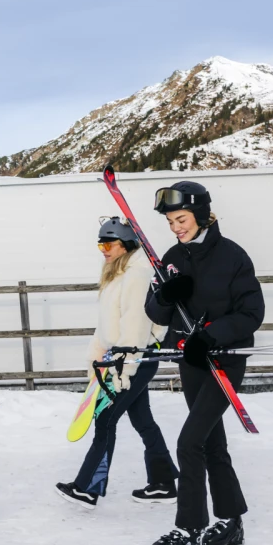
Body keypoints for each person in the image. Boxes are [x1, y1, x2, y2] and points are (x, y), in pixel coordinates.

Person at [143, 181, 265, 545]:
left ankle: (189, 529)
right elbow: (155, 312)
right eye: (170, 222)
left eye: (180, 219)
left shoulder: (232, 257)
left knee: (188, 442)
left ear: (200, 214)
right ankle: (231, 521)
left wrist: (210, 336)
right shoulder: (171, 258)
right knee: (212, 442)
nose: (175, 227)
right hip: (192, 362)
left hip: (224, 361)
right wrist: (165, 297)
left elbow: (251, 314)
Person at [56, 217, 179, 509]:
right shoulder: (118, 274)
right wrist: (97, 357)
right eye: (101, 243)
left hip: (134, 359)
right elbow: (108, 325)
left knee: (105, 419)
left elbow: (135, 326)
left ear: (126, 246)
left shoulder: (136, 276)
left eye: (108, 243)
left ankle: (88, 487)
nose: (103, 249)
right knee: (142, 420)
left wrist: (125, 366)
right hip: (123, 359)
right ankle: (163, 483)